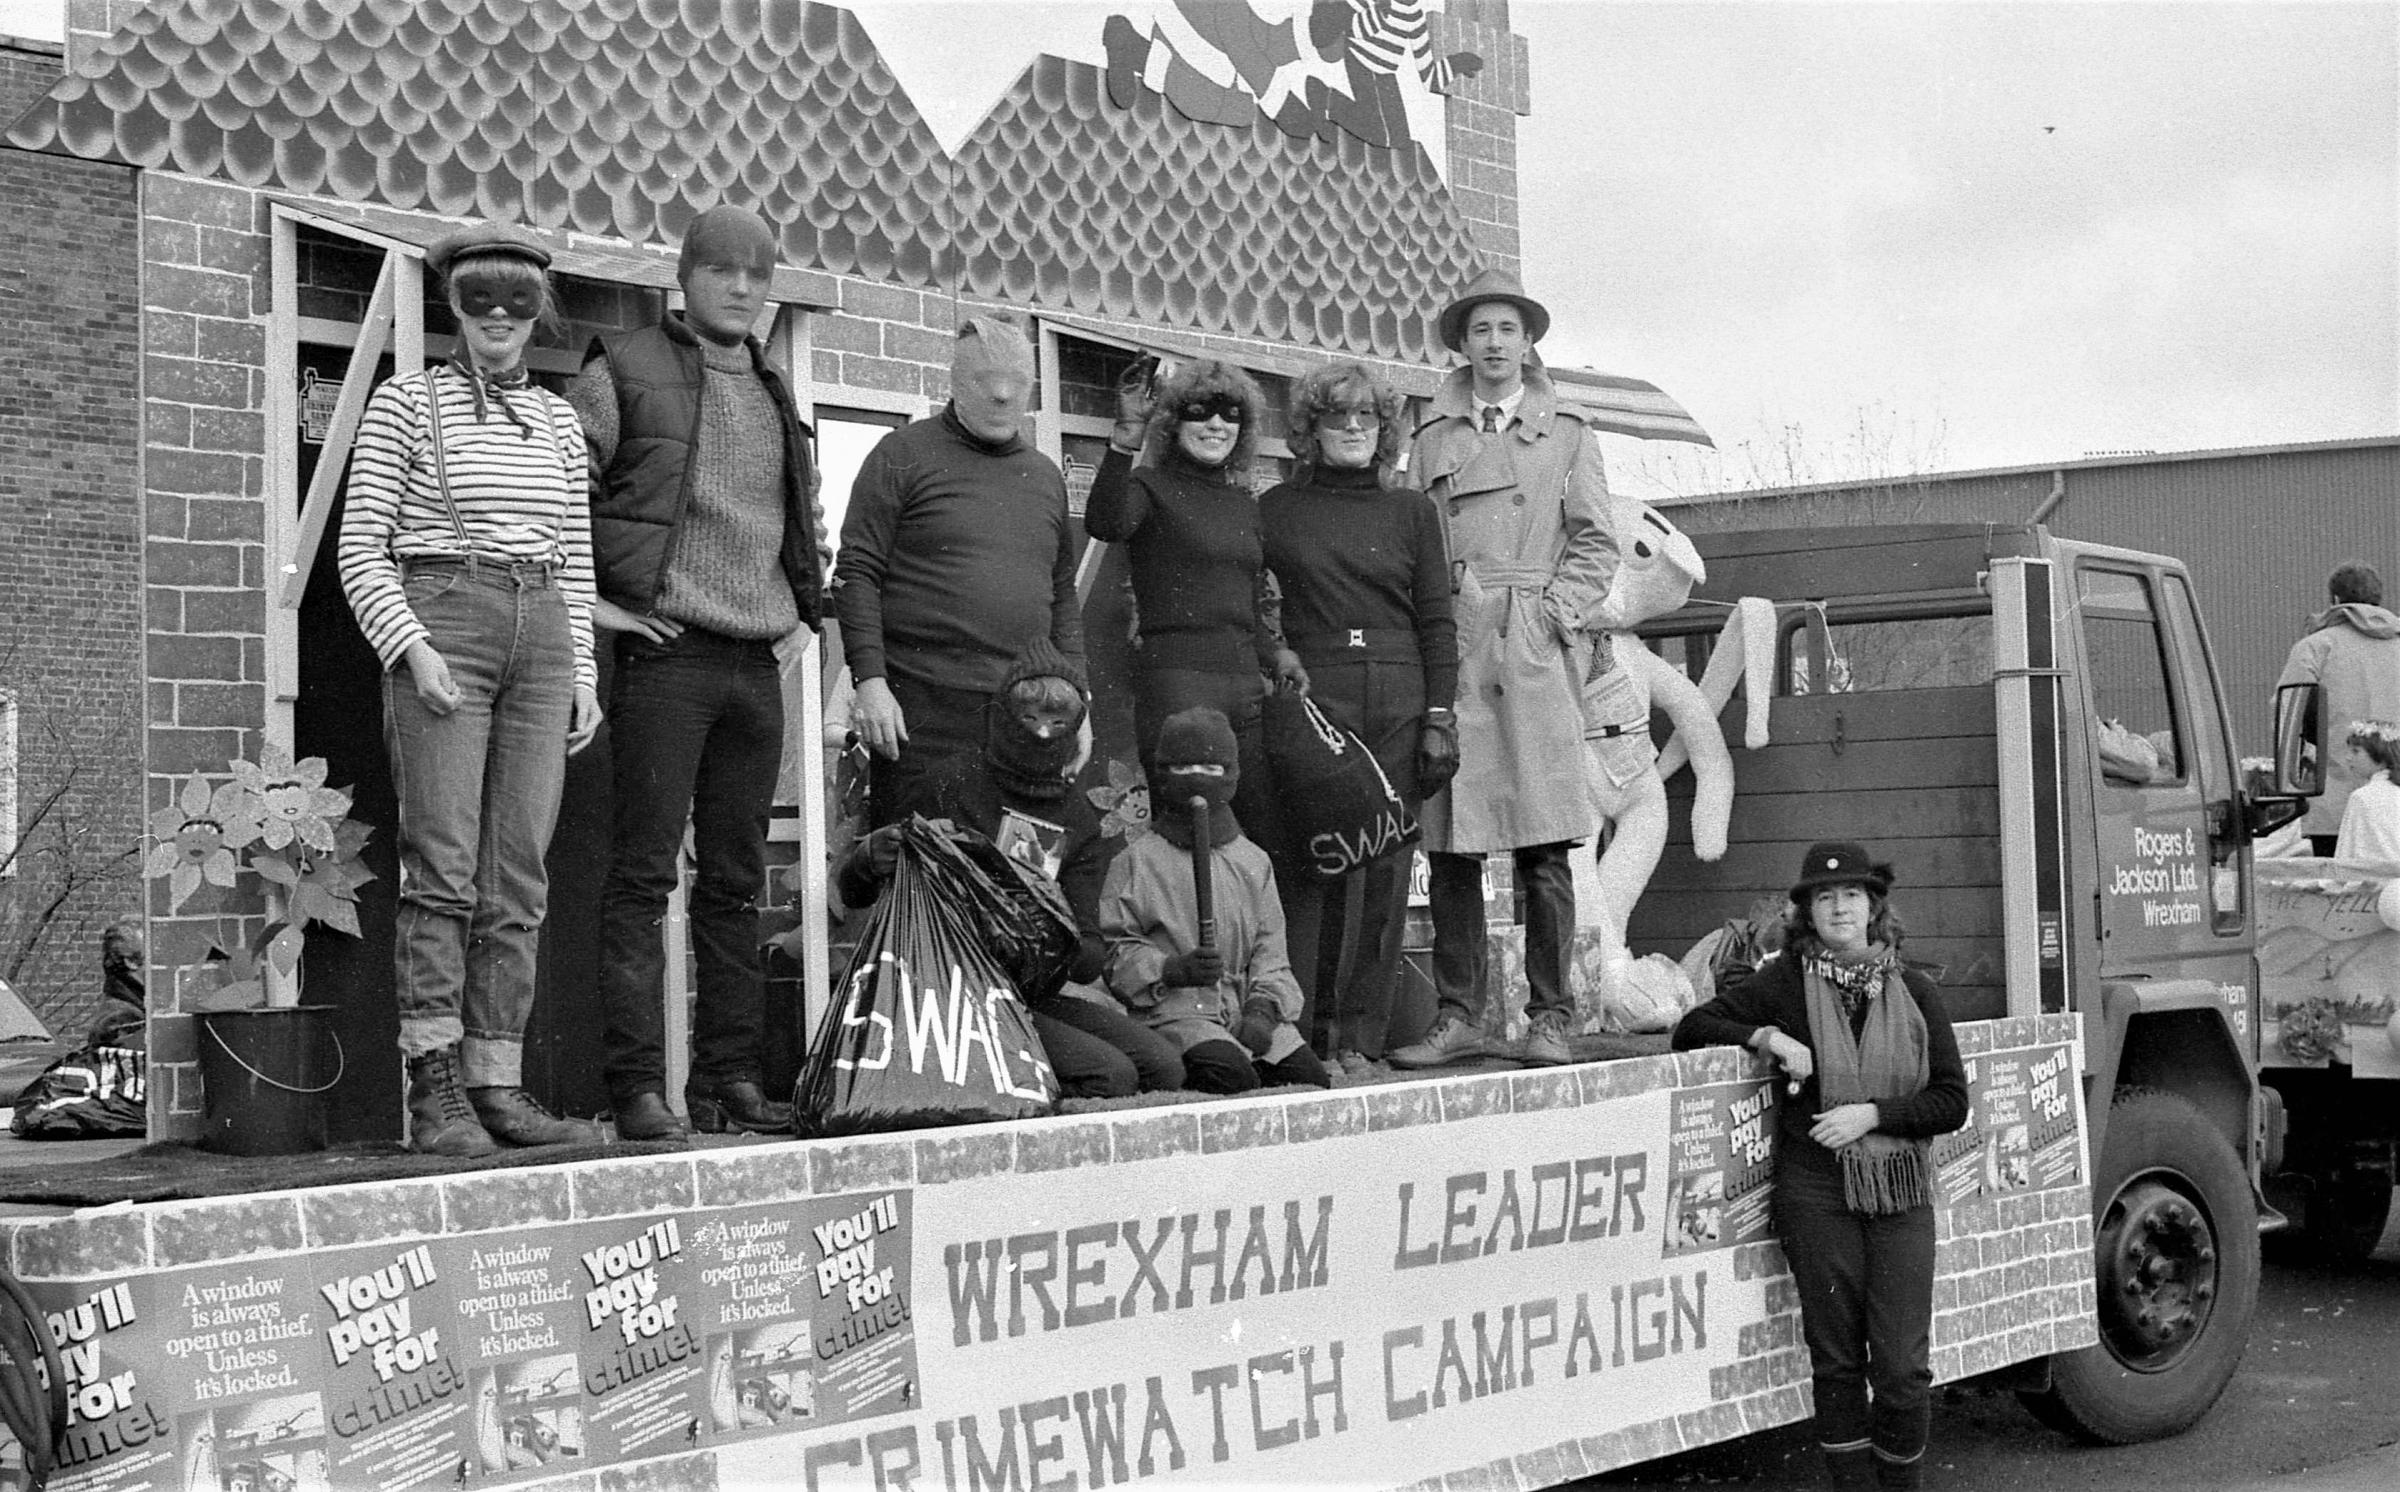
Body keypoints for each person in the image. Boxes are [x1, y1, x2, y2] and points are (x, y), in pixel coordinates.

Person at [338, 222, 604, 1155]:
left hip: (542, 633)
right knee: (443, 865)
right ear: (453, 305)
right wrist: (410, 648)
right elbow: (360, 545)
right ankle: (434, 1086)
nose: (498, 320)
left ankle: (497, 1082)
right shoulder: (406, 404)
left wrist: (582, 670)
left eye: (518, 304)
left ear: (539, 312)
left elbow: (573, 555)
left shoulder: (561, 423)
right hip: (444, 614)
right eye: (479, 301)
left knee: (518, 871)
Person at [567, 204, 825, 1142]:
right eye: (722, 269)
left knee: (735, 883)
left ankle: (730, 1079)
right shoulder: (623, 370)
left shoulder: (773, 389)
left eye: (758, 273)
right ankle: (637, 1088)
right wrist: (594, 604)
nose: (743, 286)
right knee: (641, 878)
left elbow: (800, 515)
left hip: (755, 665)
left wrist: (807, 609)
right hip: (667, 656)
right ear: (685, 277)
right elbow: (561, 484)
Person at [1672, 843, 1968, 1490]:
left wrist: (1872, 1115)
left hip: (1899, 1192)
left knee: (1901, 1368)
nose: (1839, 906)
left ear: (1873, 908)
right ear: (1807, 911)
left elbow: (1951, 1101)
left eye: (1852, 895)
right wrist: (1766, 1036)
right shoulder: (1782, 984)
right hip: (1815, 1192)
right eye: (1825, 897)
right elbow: (1693, 1025)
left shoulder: (1914, 989)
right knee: (1835, 1361)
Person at [1389, 267, 1618, 1070]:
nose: (1494, 345)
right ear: (1463, 344)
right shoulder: (1430, 441)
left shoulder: (1569, 435)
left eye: (1508, 331)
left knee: (1544, 843)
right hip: (1456, 647)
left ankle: (1551, 1018)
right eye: (1480, 331)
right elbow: (1411, 545)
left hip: (1531, 650)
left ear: (1529, 344)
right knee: (1453, 842)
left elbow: (1597, 543)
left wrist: (1552, 616)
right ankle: (1460, 1017)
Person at [837, 638, 1185, 1097]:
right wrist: (868, 857)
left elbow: (1087, 960)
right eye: (1030, 719)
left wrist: (1046, 926)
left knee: (1164, 1067)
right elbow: (857, 892)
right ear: (1003, 718)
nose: (1043, 734)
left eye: (1058, 722)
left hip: (1026, 990)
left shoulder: (1076, 818)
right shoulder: (950, 785)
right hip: (944, 990)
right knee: (1110, 1076)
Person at [1257, 361, 1456, 1062]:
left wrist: (1440, 715)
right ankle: (1308, 1037)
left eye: (1366, 417)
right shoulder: (1276, 510)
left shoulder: (1411, 512)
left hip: (1399, 692)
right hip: (1319, 691)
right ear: (1310, 428)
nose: (1352, 428)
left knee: (1384, 873)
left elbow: (1436, 618)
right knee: (1318, 866)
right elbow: (1253, 603)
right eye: (1337, 416)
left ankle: (1361, 1041)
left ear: (1385, 430)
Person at [837, 315, 1086, 827]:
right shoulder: (902, 454)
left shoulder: (1045, 477)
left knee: (1018, 877)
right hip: (919, 708)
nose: (1001, 396)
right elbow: (857, 570)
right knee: (915, 866)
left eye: (1016, 385)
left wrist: (1079, 700)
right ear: (953, 383)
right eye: (984, 382)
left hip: (1024, 714)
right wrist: (871, 681)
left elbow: (1062, 594)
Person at [1084, 359, 1285, 849]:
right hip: (1178, 686)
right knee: (1187, 839)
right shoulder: (1149, 487)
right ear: (1174, 421)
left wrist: (1277, 655)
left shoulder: (1244, 504)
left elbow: (1243, 605)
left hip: (1246, 690)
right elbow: (1106, 523)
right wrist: (1124, 439)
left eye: (1230, 414)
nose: (1216, 424)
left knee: (1258, 839)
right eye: (1201, 411)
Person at [1101, 708, 1329, 1093]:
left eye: (1211, 769)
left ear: (1232, 775)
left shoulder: (1253, 862)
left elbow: (1271, 954)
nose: (1198, 780)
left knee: (1310, 1081)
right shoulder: (1135, 861)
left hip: (1249, 1012)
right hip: (1175, 1015)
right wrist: (1171, 969)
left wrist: (1263, 1011)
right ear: (1163, 773)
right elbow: (1117, 953)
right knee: (1232, 1078)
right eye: (1184, 768)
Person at [2277, 563, 2400, 855]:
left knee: (2340, 891)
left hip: (2334, 807)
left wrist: (2294, 771)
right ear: (2378, 599)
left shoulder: (2315, 647)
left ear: (2334, 601)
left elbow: (2287, 715)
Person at [2334, 720, 2400, 863]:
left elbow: (2347, 856)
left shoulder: (2362, 797)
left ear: (2381, 756)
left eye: (2356, 751)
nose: (2348, 757)